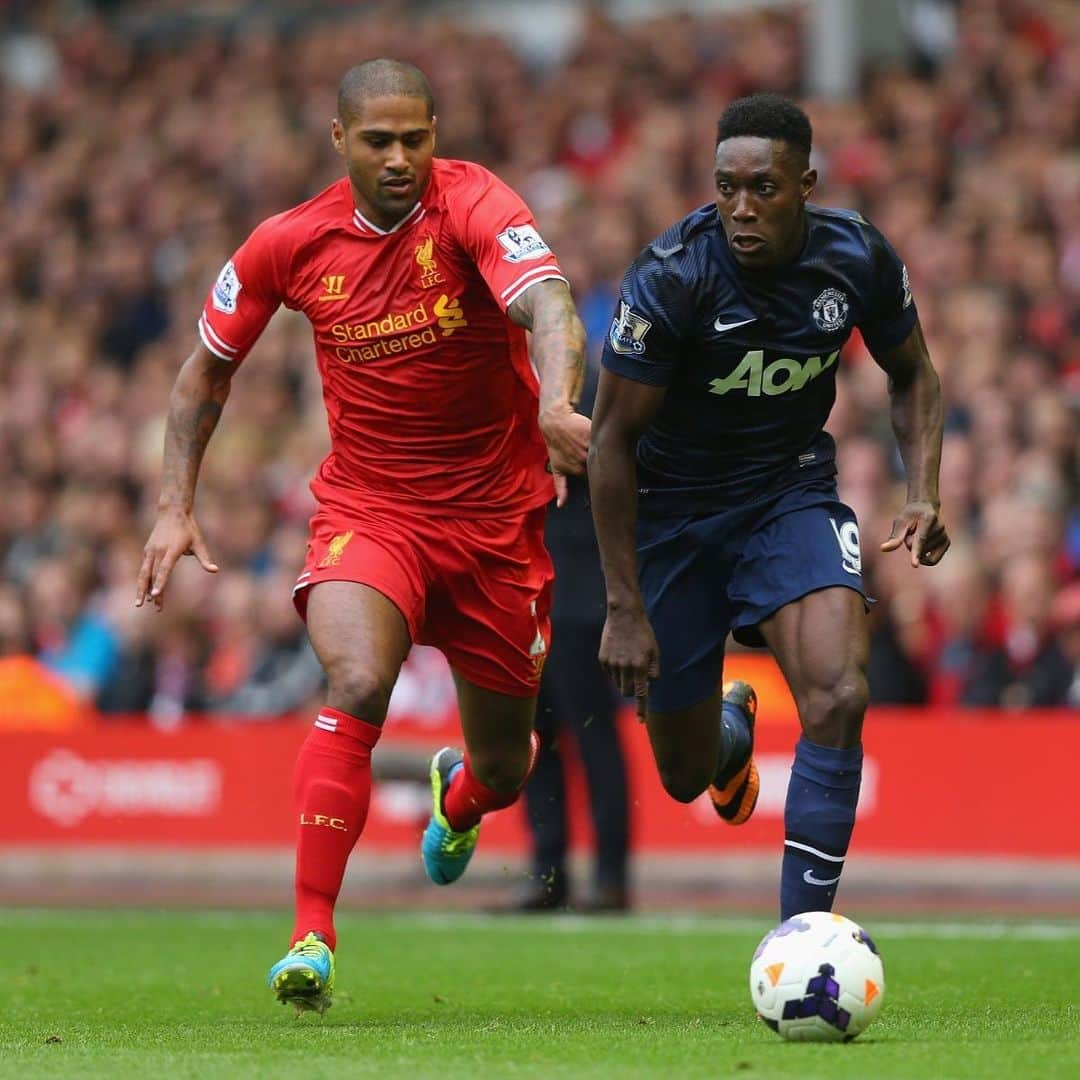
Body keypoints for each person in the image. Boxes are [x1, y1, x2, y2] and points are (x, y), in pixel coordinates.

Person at [136, 59, 590, 1014]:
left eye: (415, 138)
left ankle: (458, 795)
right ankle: (312, 933)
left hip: (497, 522)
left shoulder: (475, 206)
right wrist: (176, 503)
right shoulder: (286, 244)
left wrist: (555, 398)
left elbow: (547, 301)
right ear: (339, 140)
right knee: (355, 680)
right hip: (371, 511)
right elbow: (202, 377)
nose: (400, 158)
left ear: (436, 133)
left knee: (507, 769)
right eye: (379, 141)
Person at [588, 93, 949, 922]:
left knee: (839, 695)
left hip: (788, 493)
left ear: (805, 184)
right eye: (727, 188)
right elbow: (610, 444)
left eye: (764, 188)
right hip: (674, 514)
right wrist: (622, 605)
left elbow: (914, 374)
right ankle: (726, 734)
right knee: (682, 775)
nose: (742, 208)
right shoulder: (671, 275)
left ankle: (805, 933)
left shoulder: (855, 257)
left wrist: (923, 491)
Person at [512, 356, 631, 913]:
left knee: (591, 738)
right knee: (535, 742)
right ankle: (549, 871)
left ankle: (608, 875)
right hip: (528, 593)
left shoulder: (589, 388)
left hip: (581, 595)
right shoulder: (520, 386)